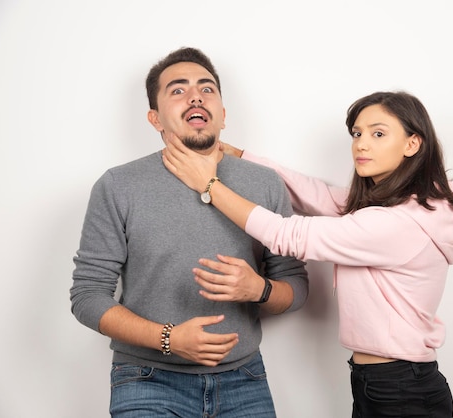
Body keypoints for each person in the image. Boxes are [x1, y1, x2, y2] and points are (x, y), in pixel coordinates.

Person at [161, 90, 453, 418]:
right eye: (357, 133)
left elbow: (287, 235)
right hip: (387, 382)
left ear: (412, 144)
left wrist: (209, 185)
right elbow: (317, 195)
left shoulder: (397, 223)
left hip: (400, 390)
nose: (362, 144)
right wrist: (237, 154)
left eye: (378, 134)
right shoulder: (405, 207)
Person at [69, 47, 309, 417]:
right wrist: (168, 339)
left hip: (244, 378)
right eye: (178, 90)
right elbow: (87, 296)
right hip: (146, 379)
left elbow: (296, 287)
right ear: (155, 118)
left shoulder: (264, 184)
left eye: (207, 88)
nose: (196, 96)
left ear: (223, 115)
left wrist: (258, 289)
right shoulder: (118, 185)